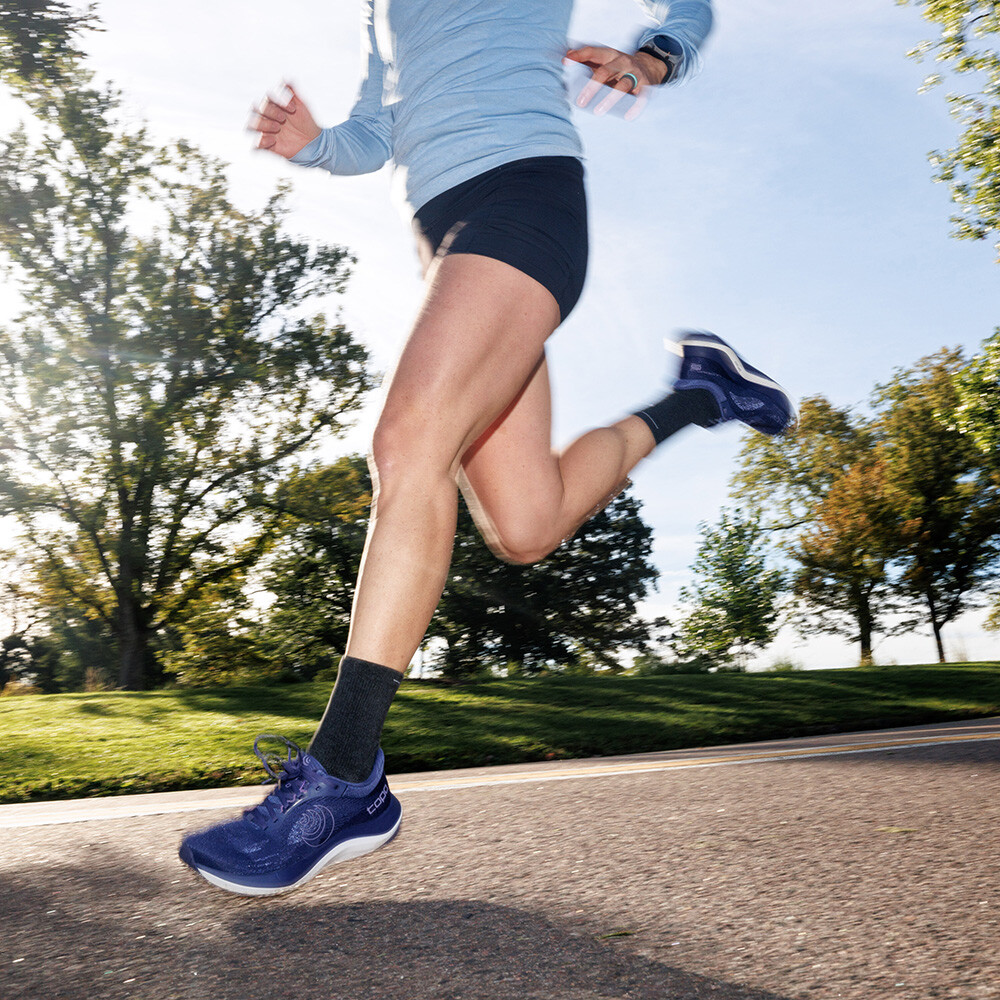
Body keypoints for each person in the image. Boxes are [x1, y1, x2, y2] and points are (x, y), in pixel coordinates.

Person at [179, 0, 795, 896]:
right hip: (449, 242)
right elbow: (375, 128)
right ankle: (701, 394)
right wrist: (314, 141)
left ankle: (344, 776)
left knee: (408, 445)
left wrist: (657, 57)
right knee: (527, 522)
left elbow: (685, 7)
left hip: (525, 198)